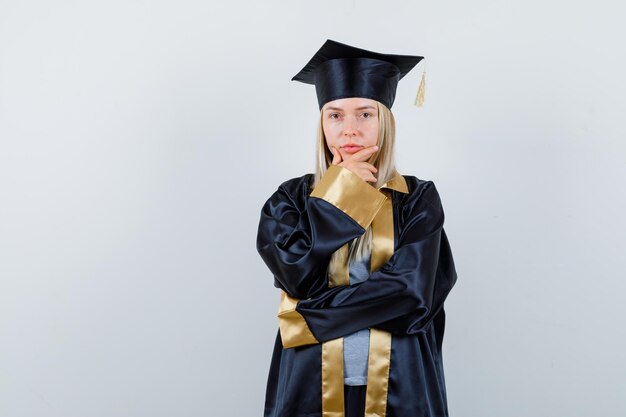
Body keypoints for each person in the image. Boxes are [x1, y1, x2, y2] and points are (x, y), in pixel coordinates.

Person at [256, 39, 458, 417]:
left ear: (385, 120)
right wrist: (340, 193)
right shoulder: (291, 199)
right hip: (308, 388)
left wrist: (305, 318)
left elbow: (410, 296)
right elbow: (295, 274)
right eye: (335, 115)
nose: (349, 130)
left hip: (402, 384)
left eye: (365, 114)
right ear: (322, 123)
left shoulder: (417, 199)